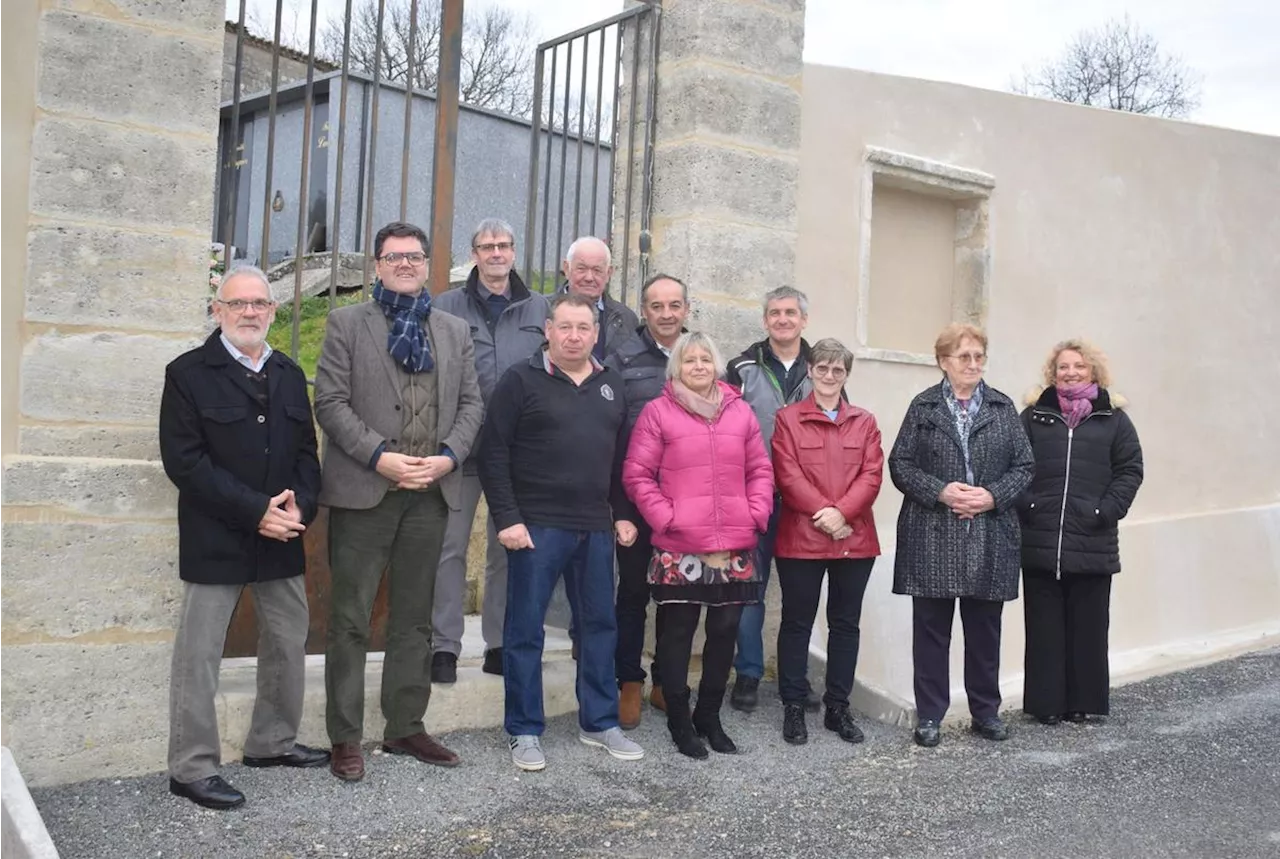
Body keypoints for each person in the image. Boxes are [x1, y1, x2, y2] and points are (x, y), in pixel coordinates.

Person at [314, 221, 484, 781]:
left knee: (414, 619)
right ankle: (344, 736)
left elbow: (471, 405)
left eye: (414, 256)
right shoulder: (346, 324)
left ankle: (405, 725)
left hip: (430, 492)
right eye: (394, 257)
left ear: (425, 263)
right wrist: (379, 456)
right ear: (377, 266)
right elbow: (332, 404)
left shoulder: (454, 330)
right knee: (350, 619)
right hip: (368, 490)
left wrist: (449, 457)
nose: (405, 264)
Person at [159, 265, 327, 810]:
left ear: (273, 311)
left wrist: (299, 504)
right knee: (199, 655)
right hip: (217, 534)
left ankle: (272, 742)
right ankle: (191, 767)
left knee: (286, 641)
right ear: (218, 311)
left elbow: (306, 452)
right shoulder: (187, 373)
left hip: (282, 534)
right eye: (237, 304)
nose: (249, 313)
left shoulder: (287, 371)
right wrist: (256, 510)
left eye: (259, 304)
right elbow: (184, 463)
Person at [478, 292, 644, 772]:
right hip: (536, 527)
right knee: (524, 630)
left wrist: (623, 512)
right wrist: (507, 518)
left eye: (583, 328)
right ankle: (525, 730)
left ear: (595, 333)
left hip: (594, 527)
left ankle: (599, 721)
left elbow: (618, 459)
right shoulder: (519, 381)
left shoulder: (611, 383)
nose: (574, 336)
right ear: (548, 330)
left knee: (599, 626)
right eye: (565, 327)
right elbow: (493, 454)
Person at [623, 332, 774, 759]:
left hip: (734, 544)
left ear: (717, 365)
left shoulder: (739, 413)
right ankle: (679, 720)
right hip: (679, 546)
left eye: (705, 359)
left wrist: (755, 514)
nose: (698, 367)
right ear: (677, 369)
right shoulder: (657, 413)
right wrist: (669, 519)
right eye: (689, 360)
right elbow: (637, 475)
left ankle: (710, 716)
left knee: (725, 632)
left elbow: (760, 470)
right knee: (677, 633)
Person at [888, 323, 1034, 748]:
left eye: (978, 356)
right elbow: (900, 464)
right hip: (933, 535)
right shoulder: (924, 406)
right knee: (932, 631)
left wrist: (992, 496)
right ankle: (930, 714)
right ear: (943, 362)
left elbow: (1025, 467)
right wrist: (940, 491)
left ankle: (985, 711)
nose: (972, 364)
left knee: (985, 631)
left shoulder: (1004, 408)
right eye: (963, 356)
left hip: (990, 533)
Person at [430, 218, 550, 683]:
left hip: (518, 454)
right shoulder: (446, 306)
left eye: (504, 245)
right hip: (460, 448)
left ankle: (499, 642)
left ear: (514, 251)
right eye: (487, 246)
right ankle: (444, 645)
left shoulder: (541, 308)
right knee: (450, 547)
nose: (496, 253)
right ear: (474, 253)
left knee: (508, 550)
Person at [1019, 339, 1144, 724]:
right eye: (1062, 367)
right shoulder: (1034, 416)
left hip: (1092, 538)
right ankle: (1046, 706)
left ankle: (1082, 703)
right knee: (1043, 628)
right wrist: (1030, 505)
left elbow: (1130, 470)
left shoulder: (1114, 419)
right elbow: (1015, 464)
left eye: (1078, 366)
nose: (1070, 372)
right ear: (1051, 374)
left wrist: (1105, 511)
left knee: (1088, 627)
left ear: (1093, 371)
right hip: (1041, 539)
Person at [771, 338, 884, 746]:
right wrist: (827, 515)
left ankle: (838, 707)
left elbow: (872, 475)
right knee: (797, 624)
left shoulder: (865, 421)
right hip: (802, 539)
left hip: (854, 540)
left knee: (845, 625)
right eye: (822, 368)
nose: (830, 376)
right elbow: (787, 474)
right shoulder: (787, 419)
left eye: (838, 370)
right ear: (810, 371)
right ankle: (794, 707)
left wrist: (843, 516)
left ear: (846, 375)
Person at [604, 273, 690, 727]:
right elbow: (611, 436)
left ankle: (667, 682)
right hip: (636, 499)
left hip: (686, 502)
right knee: (634, 592)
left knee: (677, 596)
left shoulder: (700, 358)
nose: (666, 314)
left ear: (686, 311)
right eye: (657, 306)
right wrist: (619, 508)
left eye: (674, 305)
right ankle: (629, 681)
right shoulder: (620, 358)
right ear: (644, 310)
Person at [725, 285, 816, 713]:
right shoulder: (741, 368)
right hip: (752, 497)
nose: (783, 319)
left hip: (805, 502)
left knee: (801, 594)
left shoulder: (823, 368)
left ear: (803, 320)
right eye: (775, 313)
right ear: (765, 321)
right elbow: (723, 432)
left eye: (790, 313)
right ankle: (748, 674)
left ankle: (794, 679)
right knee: (749, 591)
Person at [559, 236, 639, 361]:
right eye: (581, 269)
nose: (589, 277)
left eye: (597, 270)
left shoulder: (626, 318)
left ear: (608, 273)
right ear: (566, 268)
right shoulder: (542, 309)